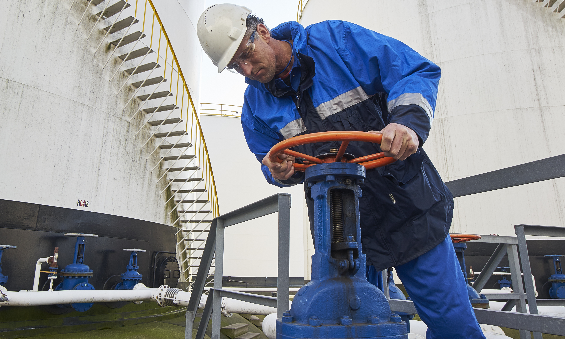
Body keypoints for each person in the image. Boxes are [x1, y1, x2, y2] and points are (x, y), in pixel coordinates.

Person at [197, 4, 485, 338]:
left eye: (246, 55)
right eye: (235, 67)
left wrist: (406, 123)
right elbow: (270, 160)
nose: (247, 70)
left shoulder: (335, 42)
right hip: (343, 232)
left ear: (261, 32)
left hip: (408, 208)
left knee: (453, 325)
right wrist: (278, 171)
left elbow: (413, 71)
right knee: (362, 323)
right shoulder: (255, 107)